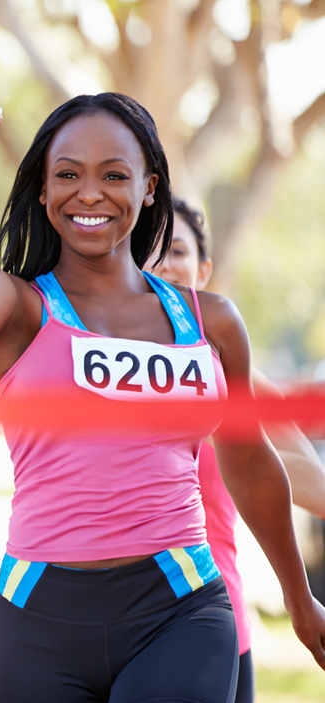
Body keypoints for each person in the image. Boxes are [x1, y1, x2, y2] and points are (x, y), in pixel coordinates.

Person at [0, 65, 325, 701]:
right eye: (68, 175)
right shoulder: (21, 314)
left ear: (148, 187)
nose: (90, 193)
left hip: (181, 607)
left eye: (113, 174)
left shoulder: (208, 320)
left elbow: (249, 459)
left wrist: (300, 603)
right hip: (38, 613)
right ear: (44, 191)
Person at [146, 196, 325, 703]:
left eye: (177, 251)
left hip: (216, 627)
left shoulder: (234, 371)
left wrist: (227, 434)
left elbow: (311, 483)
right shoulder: (105, 362)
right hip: (116, 626)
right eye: (150, 252)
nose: (163, 264)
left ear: (203, 269)